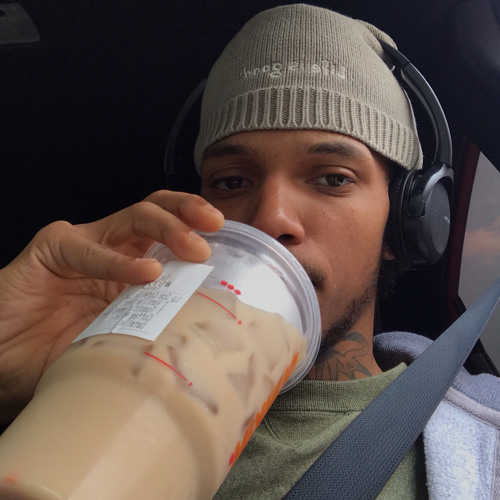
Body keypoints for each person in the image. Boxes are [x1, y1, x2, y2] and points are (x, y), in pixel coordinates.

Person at [0, 4, 499, 498]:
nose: (270, 217)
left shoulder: (486, 450)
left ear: (401, 223)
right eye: (231, 181)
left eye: (332, 178)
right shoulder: (83, 398)